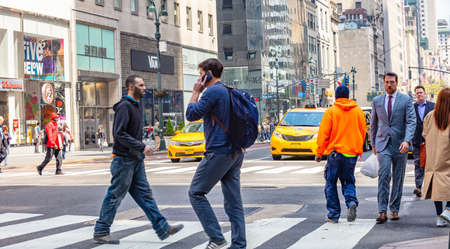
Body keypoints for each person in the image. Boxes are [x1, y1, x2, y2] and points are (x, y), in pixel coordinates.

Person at [93, 75, 183, 244]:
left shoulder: (136, 105)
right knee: (114, 196)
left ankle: (163, 228)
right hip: (124, 160)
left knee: (145, 196)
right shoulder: (125, 106)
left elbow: (130, 133)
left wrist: (140, 147)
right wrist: (141, 146)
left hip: (135, 160)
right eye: (141, 85)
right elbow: (119, 134)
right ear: (131, 87)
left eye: (144, 84)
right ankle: (101, 231)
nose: (144, 88)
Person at [186, 58, 246, 249]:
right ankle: (239, 244)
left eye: (200, 73)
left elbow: (191, 114)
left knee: (196, 193)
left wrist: (196, 91)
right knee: (233, 202)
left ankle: (217, 238)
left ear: (208, 74)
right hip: (235, 152)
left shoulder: (212, 92)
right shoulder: (229, 91)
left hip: (219, 151)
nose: (199, 77)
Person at [315, 86, 367, 223]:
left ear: (336, 96)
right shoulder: (358, 111)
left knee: (331, 183)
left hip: (335, 154)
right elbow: (363, 132)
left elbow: (323, 134)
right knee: (348, 180)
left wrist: (319, 152)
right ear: (348, 96)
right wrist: (357, 149)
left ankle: (333, 214)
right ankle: (351, 203)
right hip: (351, 154)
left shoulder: (331, 111)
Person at [371, 72, 416, 224]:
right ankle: (382, 211)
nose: (389, 85)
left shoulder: (406, 100)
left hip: (400, 145)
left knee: (398, 177)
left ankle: (394, 209)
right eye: (387, 82)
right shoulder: (377, 100)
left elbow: (411, 121)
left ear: (397, 83)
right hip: (383, 144)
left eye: (392, 82)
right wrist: (373, 144)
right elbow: (374, 124)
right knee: (384, 175)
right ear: (383, 83)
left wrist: (407, 140)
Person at [422, 88, 450, 227]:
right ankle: (449, 209)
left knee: (436, 189)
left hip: (433, 158)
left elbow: (425, 135)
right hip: (447, 157)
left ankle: (440, 216)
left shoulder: (429, 116)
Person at [411, 86, 435, 197]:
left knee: (431, 164)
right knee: (418, 164)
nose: (419, 95)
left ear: (425, 94)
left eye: (421, 92)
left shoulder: (432, 106)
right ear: (415, 95)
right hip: (416, 141)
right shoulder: (412, 108)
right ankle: (418, 187)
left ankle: (432, 186)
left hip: (431, 141)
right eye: (417, 93)